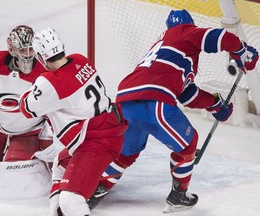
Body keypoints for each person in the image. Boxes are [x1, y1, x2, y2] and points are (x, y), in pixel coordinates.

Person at [89, 9, 259, 213]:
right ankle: (179, 195)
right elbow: (221, 37)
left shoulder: (166, 48)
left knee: (127, 153)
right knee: (188, 145)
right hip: (153, 100)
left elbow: (186, 94)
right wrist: (241, 51)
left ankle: (97, 188)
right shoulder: (183, 32)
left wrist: (214, 104)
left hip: (125, 101)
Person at [19, 28, 128, 216]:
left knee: (71, 201)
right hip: (102, 129)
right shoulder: (81, 60)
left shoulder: (50, 82)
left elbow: (26, 109)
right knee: (59, 168)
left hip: (97, 141)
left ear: (40, 56)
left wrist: (37, 84)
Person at [0, 25, 53, 198]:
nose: (28, 54)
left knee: (15, 178)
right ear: (11, 48)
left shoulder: (45, 73)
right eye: (23, 49)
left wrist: (50, 141)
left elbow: (55, 111)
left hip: (30, 131)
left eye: (31, 49)